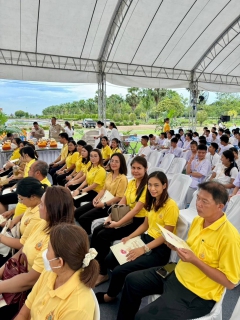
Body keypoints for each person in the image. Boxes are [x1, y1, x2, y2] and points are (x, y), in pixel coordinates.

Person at [117, 181, 240, 320]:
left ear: (220, 206)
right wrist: (176, 247)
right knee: (132, 280)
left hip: (196, 292)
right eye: (198, 198)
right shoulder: (198, 221)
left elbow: (230, 283)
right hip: (176, 271)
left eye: (204, 201)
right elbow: (192, 249)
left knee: (143, 317)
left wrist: (194, 260)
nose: (198, 204)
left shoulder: (230, 237)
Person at [96, 171, 179, 304]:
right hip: (146, 239)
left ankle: (110, 296)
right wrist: (130, 237)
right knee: (110, 258)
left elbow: (165, 237)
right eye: (150, 185)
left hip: (159, 249)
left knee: (118, 271)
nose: (152, 188)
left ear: (165, 186)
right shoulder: (152, 201)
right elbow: (146, 225)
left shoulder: (171, 206)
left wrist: (143, 249)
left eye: (156, 185)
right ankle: (119, 283)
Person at [0, 186, 75, 319]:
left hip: (31, 292)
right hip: (19, 274)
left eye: (42, 204)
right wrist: (1, 271)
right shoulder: (42, 223)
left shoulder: (55, 242)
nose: (38, 207)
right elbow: (22, 250)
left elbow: (30, 280)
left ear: (53, 209)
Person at [15, 224, 99, 320]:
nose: (45, 253)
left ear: (59, 262)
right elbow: (24, 313)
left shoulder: (77, 308)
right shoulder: (50, 273)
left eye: (48, 249)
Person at [90, 156, 148, 286]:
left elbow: (136, 210)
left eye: (139, 168)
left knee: (103, 235)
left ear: (146, 169)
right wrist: (111, 216)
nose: (136, 171)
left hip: (137, 221)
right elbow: (123, 201)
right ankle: (93, 263)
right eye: (133, 168)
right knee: (98, 229)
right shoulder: (132, 182)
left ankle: (103, 273)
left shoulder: (146, 187)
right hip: (125, 215)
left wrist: (118, 223)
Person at [74, 153, 128, 234]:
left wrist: (104, 204)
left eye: (117, 162)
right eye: (112, 161)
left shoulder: (123, 178)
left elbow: (119, 198)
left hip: (110, 205)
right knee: (77, 212)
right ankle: (85, 233)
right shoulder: (109, 174)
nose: (113, 163)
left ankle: (88, 236)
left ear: (121, 163)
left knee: (83, 218)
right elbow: (103, 189)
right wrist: (96, 198)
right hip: (102, 200)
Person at [0, 177, 47, 266]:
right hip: (16, 234)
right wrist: (14, 220)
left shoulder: (39, 216)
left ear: (33, 197)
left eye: (21, 199)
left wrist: (1, 238)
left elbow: (23, 244)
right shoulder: (34, 204)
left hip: (20, 249)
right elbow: (26, 212)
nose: (20, 202)